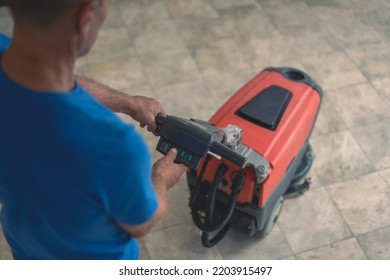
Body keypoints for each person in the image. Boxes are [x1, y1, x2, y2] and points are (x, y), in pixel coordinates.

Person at [0, 0, 186, 259]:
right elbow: (141, 223)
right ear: (86, 15)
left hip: (25, 249)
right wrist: (162, 178)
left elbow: (41, 69)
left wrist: (126, 102)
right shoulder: (112, 145)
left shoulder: (6, 53)